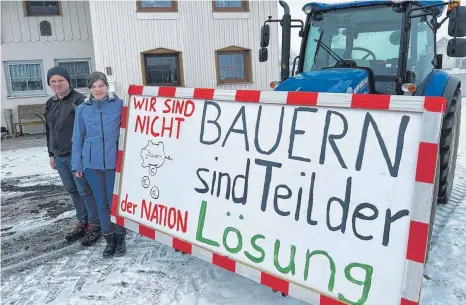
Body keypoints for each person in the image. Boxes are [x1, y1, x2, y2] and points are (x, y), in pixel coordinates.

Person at [72, 71, 127, 258]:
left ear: (107, 86)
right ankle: (109, 240)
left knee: (115, 203)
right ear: (89, 89)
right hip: (91, 165)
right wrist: (77, 165)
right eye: (94, 87)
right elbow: (77, 138)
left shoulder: (119, 105)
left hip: (114, 164)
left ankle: (120, 238)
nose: (98, 90)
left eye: (101, 86)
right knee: (101, 203)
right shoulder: (83, 109)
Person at [45, 66, 101, 246]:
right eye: (53, 81)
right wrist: (51, 153)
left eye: (60, 80)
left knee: (85, 190)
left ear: (68, 81)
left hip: (76, 157)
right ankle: (82, 221)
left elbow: (88, 132)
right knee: (72, 190)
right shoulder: (50, 103)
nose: (57, 84)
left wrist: (84, 156)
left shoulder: (80, 101)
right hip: (59, 156)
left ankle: (95, 224)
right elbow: (49, 130)